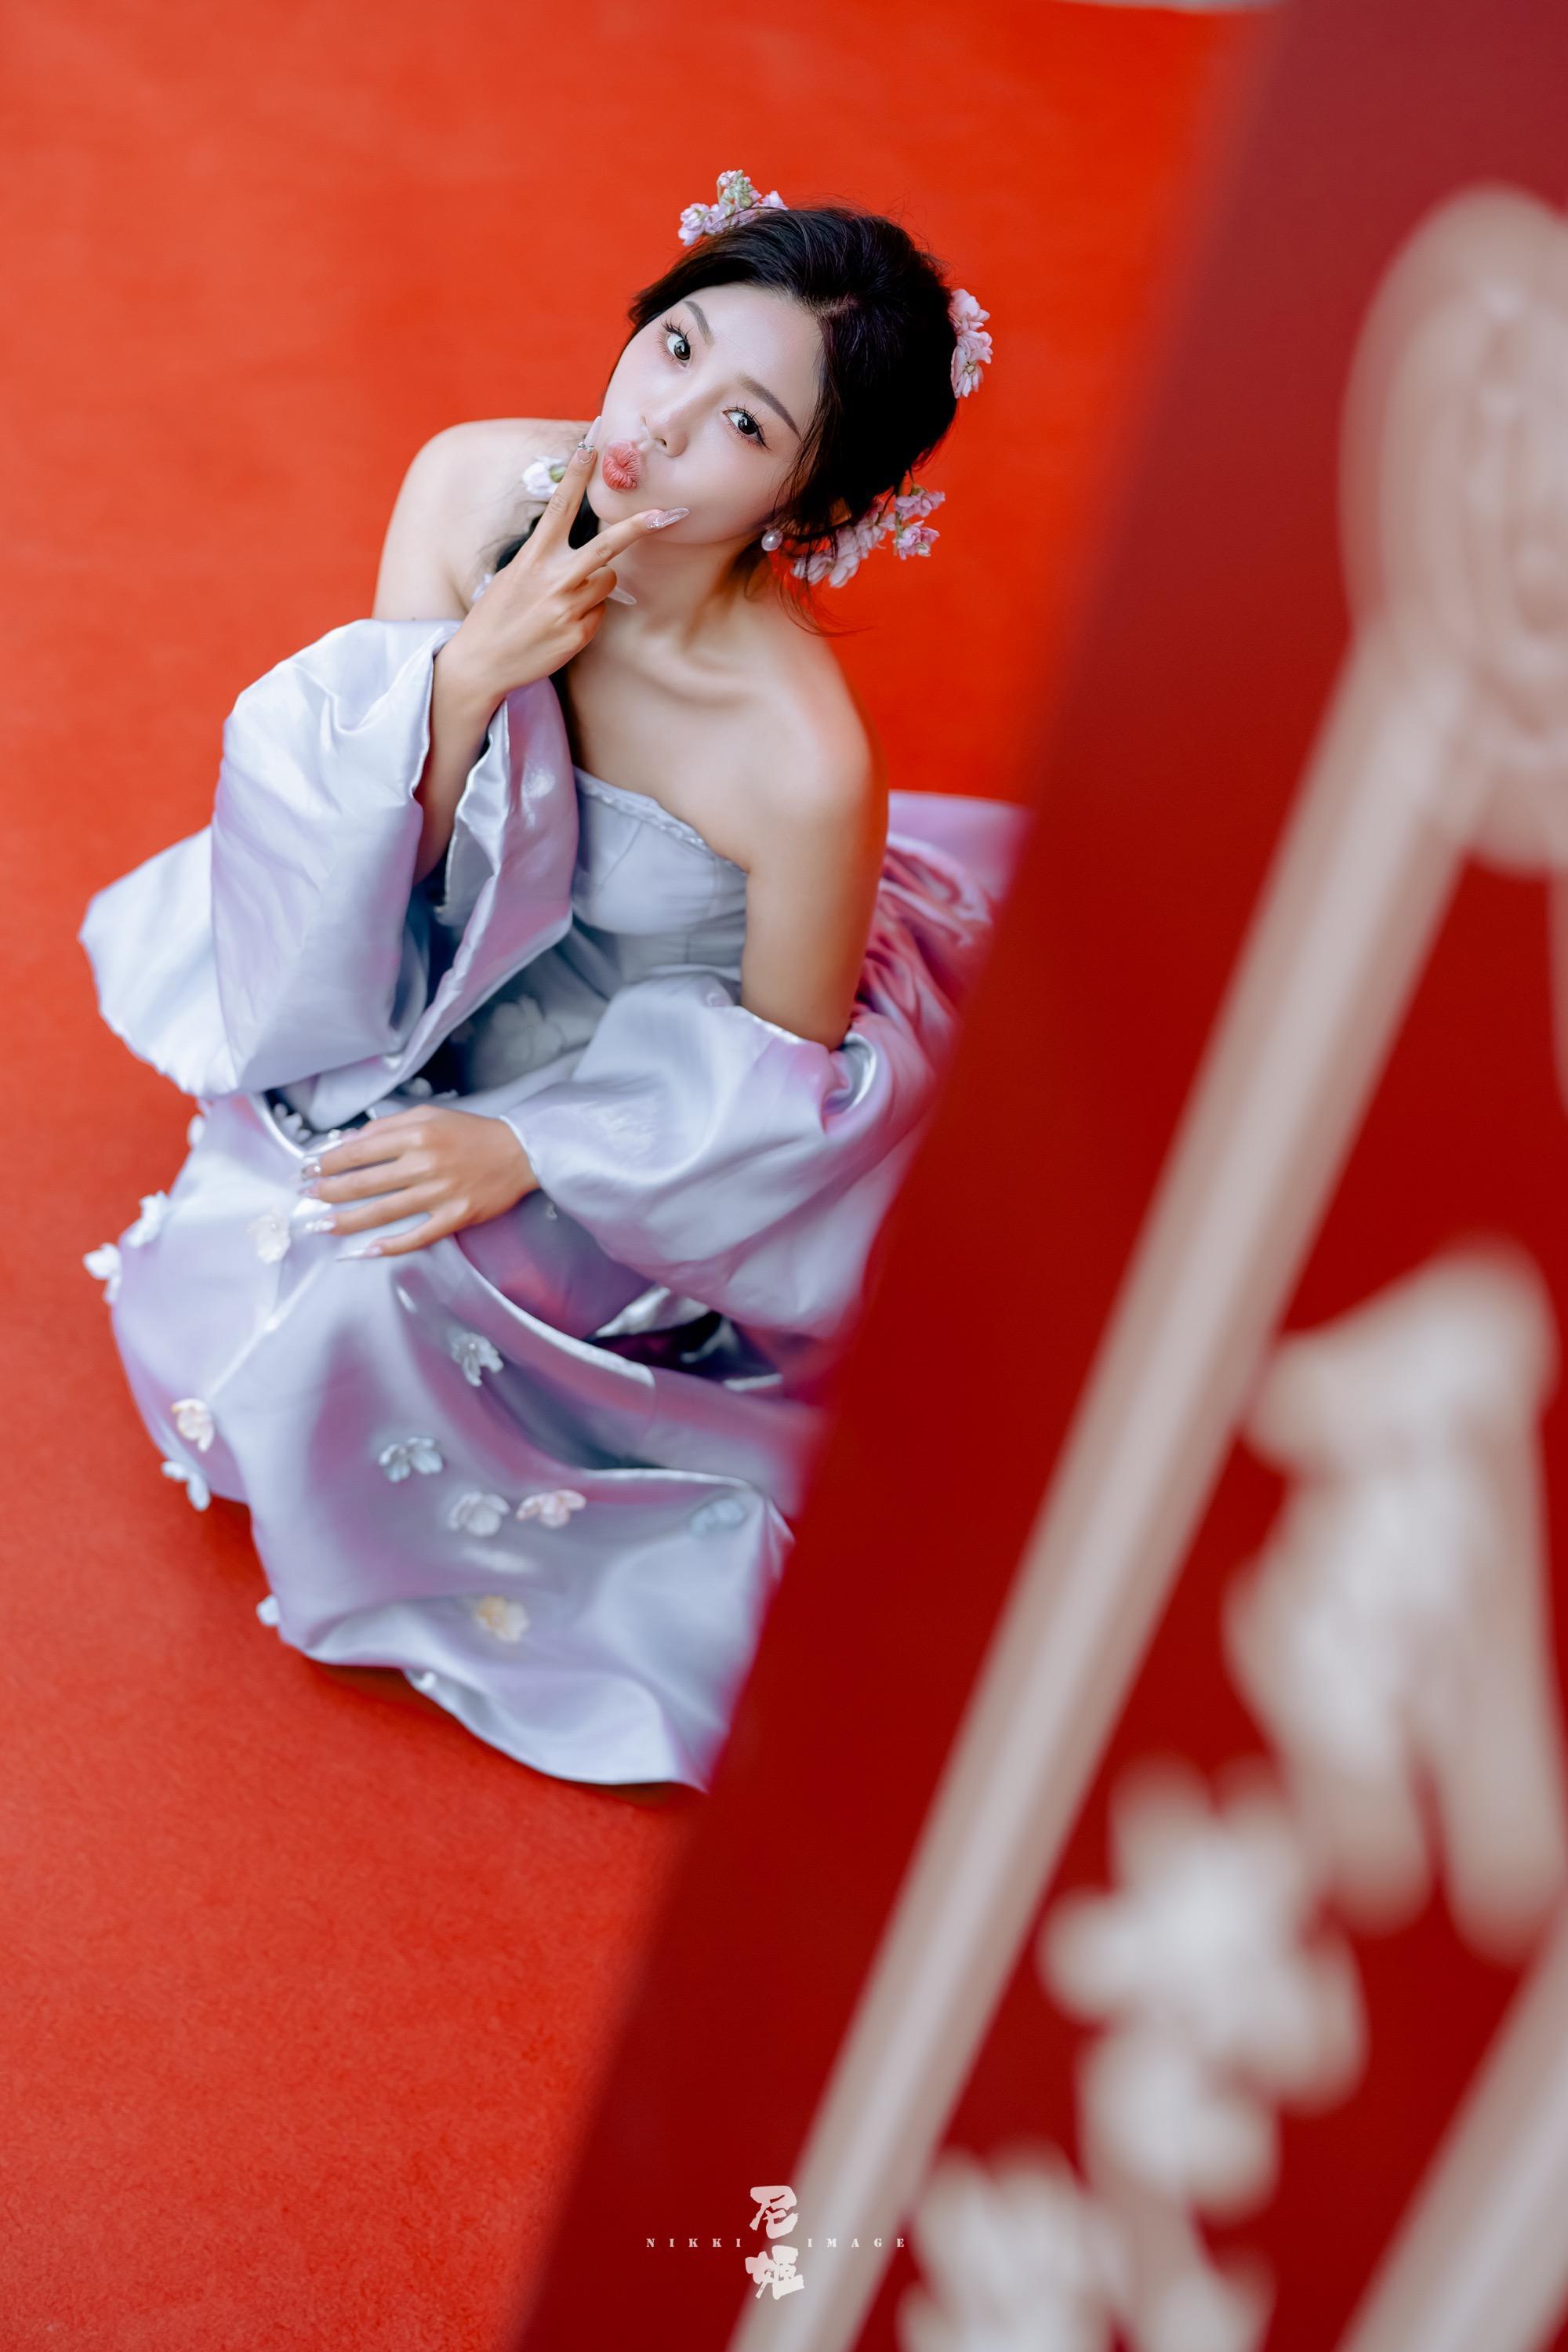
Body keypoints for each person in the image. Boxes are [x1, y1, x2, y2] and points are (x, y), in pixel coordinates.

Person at [77, 172, 1029, 1799]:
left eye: (742, 424)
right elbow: (355, 867)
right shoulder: (471, 489)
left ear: (808, 503)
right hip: (435, 985)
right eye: (676, 346)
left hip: (630, 1107)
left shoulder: (799, 759)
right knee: (294, 1171)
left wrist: (530, 1149)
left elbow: (783, 1088)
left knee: (366, 1278)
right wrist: (463, 680)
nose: (657, 424)